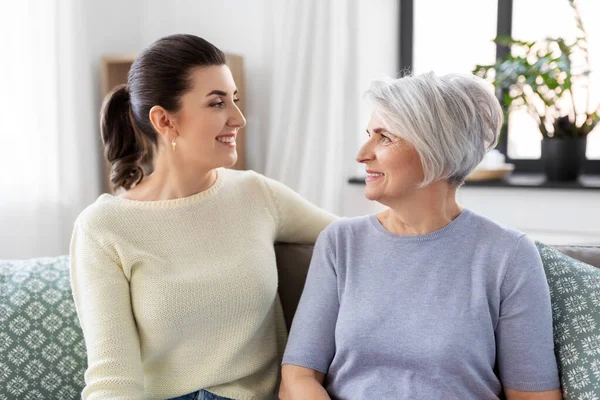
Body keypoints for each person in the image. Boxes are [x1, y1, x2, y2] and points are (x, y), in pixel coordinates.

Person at [69, 34, 336, 400]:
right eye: (216, 104)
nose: (238, 119)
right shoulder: (103, 228)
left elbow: (355, 240)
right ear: (165, 120)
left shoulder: (256, 194)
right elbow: (113, 379)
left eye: (235, 101)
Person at [280, 72, 561, 400]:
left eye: (385, 138)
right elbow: (297, 378)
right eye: (369, 134)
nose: (362, 154)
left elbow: (534, 396)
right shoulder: (340, 243)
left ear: (436, 152)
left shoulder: (508, 255)